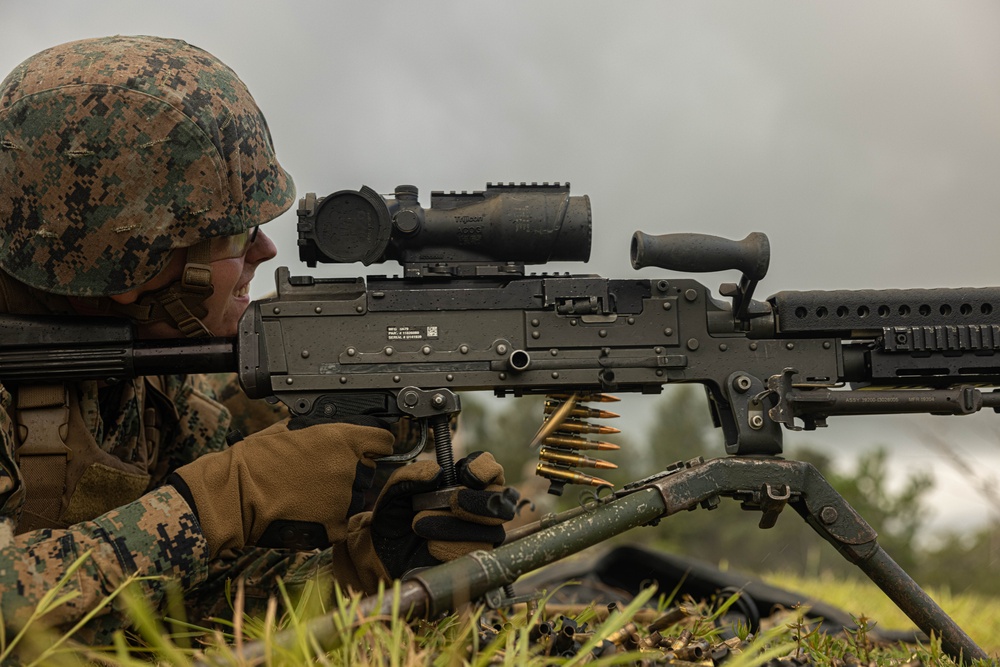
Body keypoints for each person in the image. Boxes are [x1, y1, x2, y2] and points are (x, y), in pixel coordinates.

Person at [0, 35, 516, 644]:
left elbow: (176, 606)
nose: (264, 250)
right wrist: (226, 496)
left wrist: (364, 570)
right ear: (133, 262)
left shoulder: (153, 382)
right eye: (232, 232)